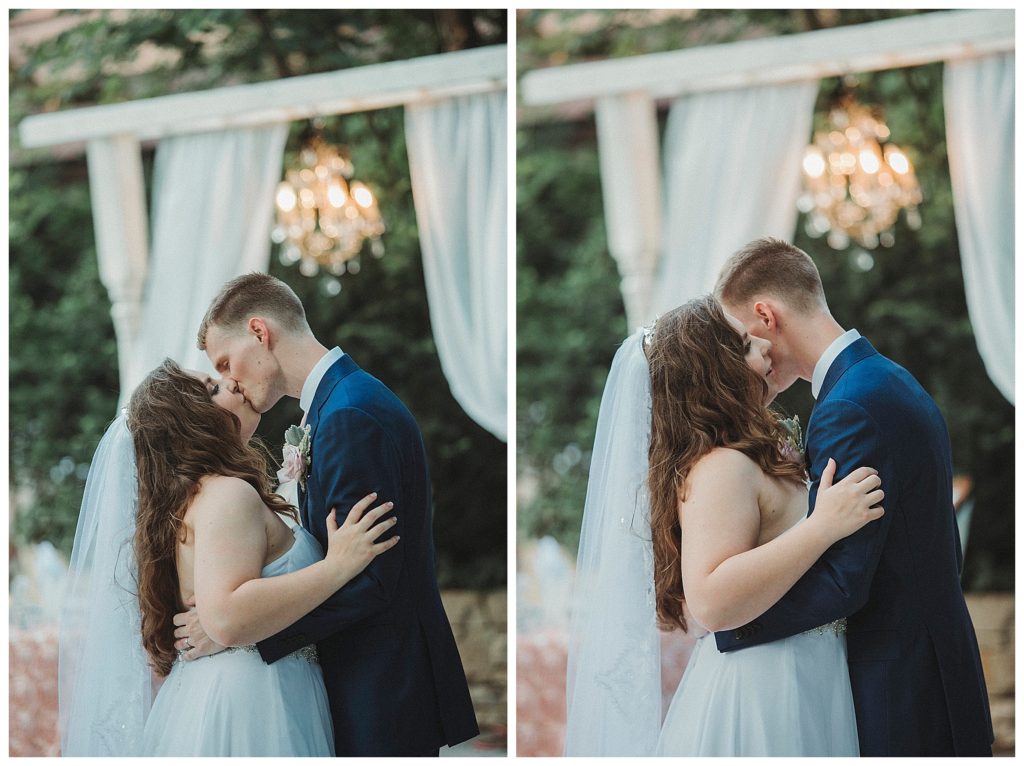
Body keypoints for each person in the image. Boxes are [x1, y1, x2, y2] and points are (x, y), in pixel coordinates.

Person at [174, 272, 479, 756]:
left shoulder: (350, 417)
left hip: (379, 689)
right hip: (362, 683)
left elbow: (372, 576)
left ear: (259, 332)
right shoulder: (331, 410)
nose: (230, 380)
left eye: (226, 362)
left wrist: (239, 636)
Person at [564, 295, 882, 757]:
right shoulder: (720, 467)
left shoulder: (748, 456)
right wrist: (824, 526)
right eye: (745, 344)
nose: (764, 343)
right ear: (718, 372)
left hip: (808, 672)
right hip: (766, 690)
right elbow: (711, 600)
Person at [713, 237, 993, 756]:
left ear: (765, 315)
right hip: (936, 658)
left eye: (742, 339)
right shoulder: (888, 378)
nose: (739, 359)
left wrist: (727, 625)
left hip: (901, 685)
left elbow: (845, 581)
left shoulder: (848, 409)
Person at [59, 360, 398, 756]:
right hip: (254, 701)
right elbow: (227, 617)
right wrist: (337, 566)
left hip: (240, 687)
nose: (232, 384)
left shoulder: (197, 500)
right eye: (213, 388)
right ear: (193, 422)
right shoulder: (226, 494)